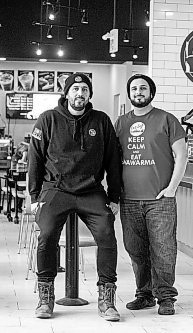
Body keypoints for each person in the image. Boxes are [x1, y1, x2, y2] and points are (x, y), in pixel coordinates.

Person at [28, 73, 122, 321]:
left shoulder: (101, 121)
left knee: (107, 234)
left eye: (84, 89)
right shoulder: (47, 119)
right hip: (55, 189)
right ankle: (45, 296)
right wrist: (34, 196)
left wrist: (114, 197)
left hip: (91, 190)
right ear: (67, 93)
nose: (80, 93)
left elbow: (113, 160)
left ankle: (106, 298)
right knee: (46, 235)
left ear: (89, 94)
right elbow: (35, 159)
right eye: (75, 89)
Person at [115, 74, 188, 315]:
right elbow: (112, 159)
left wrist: (172, 188)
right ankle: (143, 294)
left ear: (151, 92)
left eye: (143, 88)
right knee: (135, 249)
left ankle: (166, 297)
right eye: (134, 88)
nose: (138, 92)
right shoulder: (121, 123)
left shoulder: (167, 119)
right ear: (129, 93)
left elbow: (182, 155)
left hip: (160, 200)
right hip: (129, 199)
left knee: (164, 249)